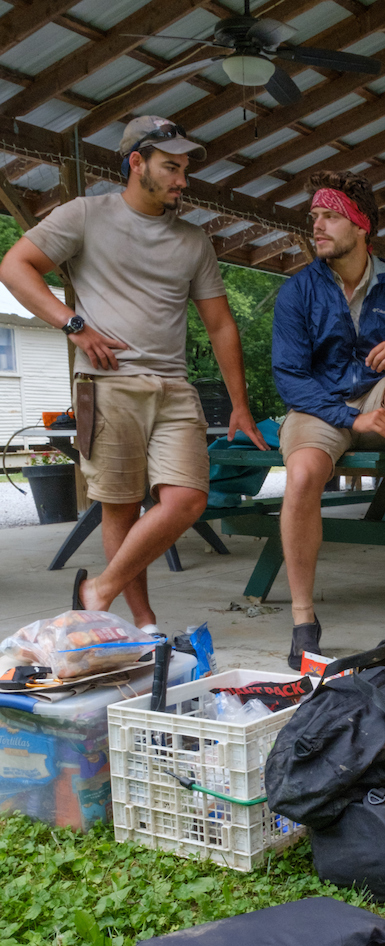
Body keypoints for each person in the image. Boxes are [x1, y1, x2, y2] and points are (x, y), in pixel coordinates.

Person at [0, 115, 266, 631]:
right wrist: (72, 324)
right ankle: (144, 623)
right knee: (120, 507)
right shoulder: (84, 215)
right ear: (136, 162)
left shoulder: (193, 240)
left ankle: (97, 590)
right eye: (171, 167)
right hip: (107, 384)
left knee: (187, 499)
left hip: (173, 387)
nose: (182, 180)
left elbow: (220, 324)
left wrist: (239, 402)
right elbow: (14, 265)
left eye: (185, 169)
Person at [272, 169, 385, 670]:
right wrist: (349, 422)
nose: (318, 226)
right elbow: (289, 377)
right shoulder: (297, 291)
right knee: (303, 476)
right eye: (315, 217)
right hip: (318, 404)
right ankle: (304, 617)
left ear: (361, 226)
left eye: (330, 216)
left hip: (377, 397)